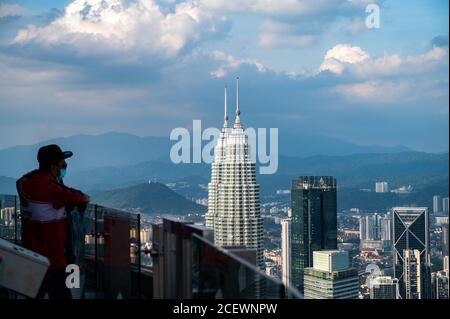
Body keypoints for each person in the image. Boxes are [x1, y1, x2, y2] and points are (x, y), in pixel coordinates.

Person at [16, 144, 90, 299]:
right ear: (53, 167)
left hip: (31, 255)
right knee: (63, 294)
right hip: (54, 260)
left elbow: (22, 180)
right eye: (62, 164)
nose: (65, 166)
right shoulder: (51, 189)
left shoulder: (26, 182)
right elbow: (81, 197)